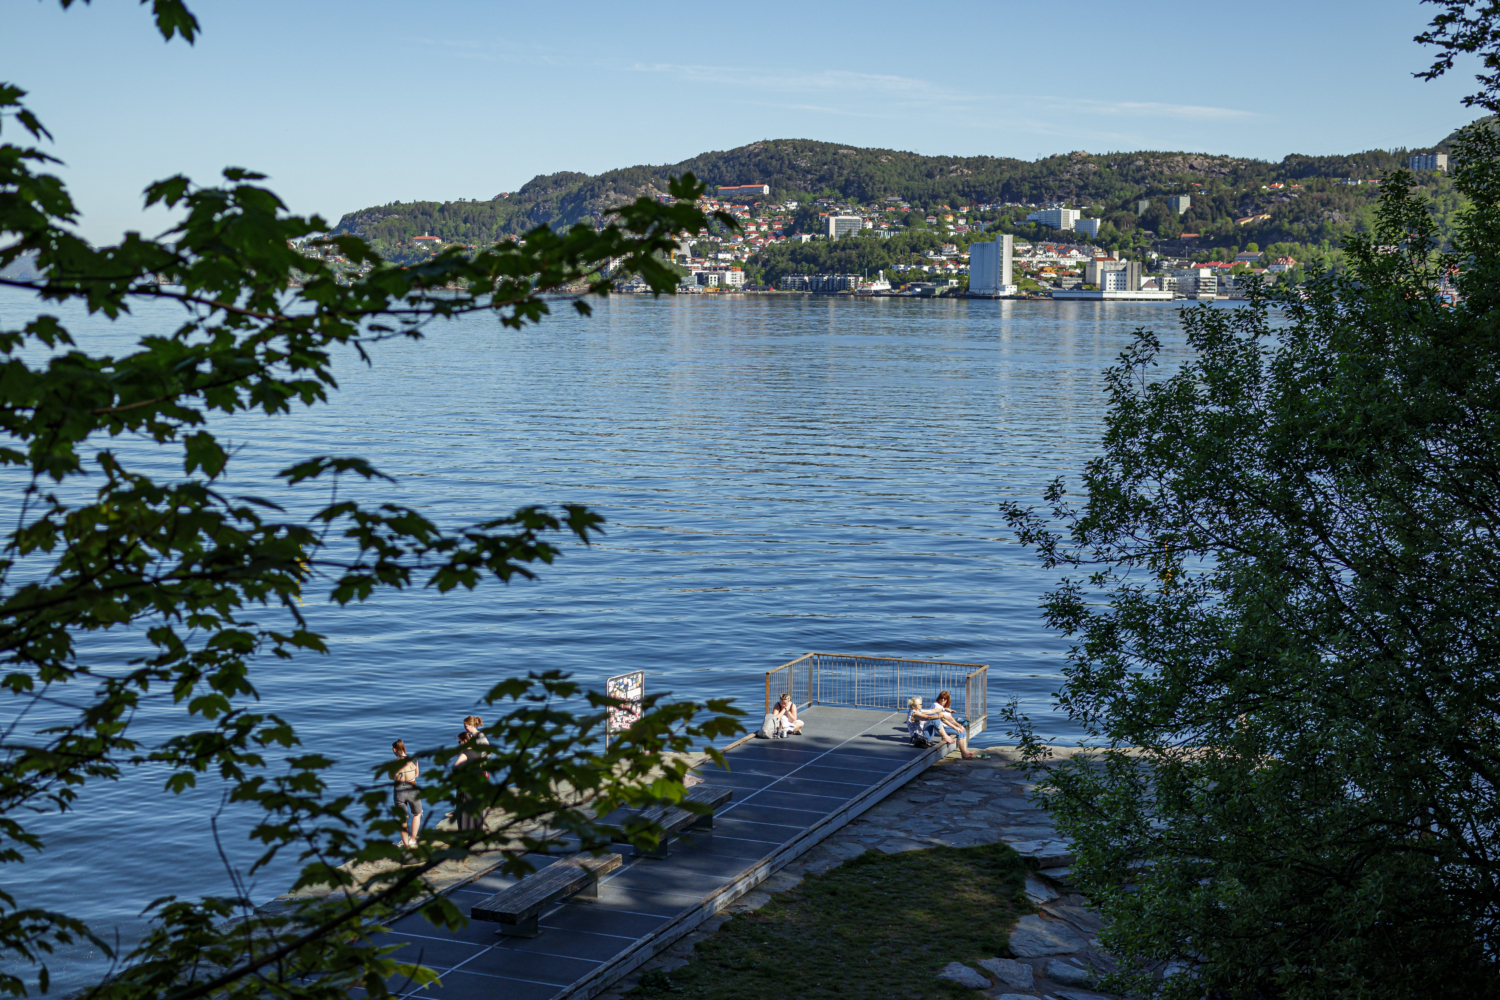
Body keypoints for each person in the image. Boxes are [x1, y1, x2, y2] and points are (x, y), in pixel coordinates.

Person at [452, 731, 485, 831]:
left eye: (460, 742)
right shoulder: (478, 752)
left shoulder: (465, 754)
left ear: (465, 741)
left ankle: (465, 830)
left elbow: (455, 768)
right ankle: (477, 828)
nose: (459, 744)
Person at [392, 739, 422, 848]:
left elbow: (391, 777)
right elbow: (417, 774)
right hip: (412, 788)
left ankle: (405, 845)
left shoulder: (392, 762)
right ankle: (413, 840)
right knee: (417, 814)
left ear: (395, 749)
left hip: (399, 790)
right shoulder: (414, 760)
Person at [934, 690, 977, 759]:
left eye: (944, 698)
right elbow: (943, 720)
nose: (942, 700)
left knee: (963, 729)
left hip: (945, 727)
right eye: (941, 698)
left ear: (947, 700)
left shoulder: (945, 708)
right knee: (958, 732)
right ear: (939, 698)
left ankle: (965, 751)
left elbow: (951, 719)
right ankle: (963, 753)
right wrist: (955, 727)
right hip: (938, 728)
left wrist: (959, 725)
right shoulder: (936, 705)